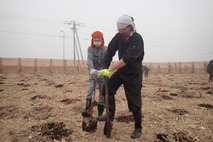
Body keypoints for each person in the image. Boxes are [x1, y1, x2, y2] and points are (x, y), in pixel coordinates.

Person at [97, 14, 144, 139]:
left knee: (134, 102)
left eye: (123, 29)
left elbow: (126, 59)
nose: (120, 32)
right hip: (121, 72)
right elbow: (110, 52)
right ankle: (110, 116)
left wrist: (110, 69)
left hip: (134, 74)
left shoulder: (137, 39)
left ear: (130, 27)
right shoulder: (119, 37)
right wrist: (104, 68)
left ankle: (138, 127)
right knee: (107, 90)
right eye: (119, 30)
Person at [82, 31, 107, 118]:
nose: (97, 39)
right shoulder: (90, 49)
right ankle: (88, 109)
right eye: (95, 38)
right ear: (92, 40)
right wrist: (91, 69)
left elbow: (107, 60)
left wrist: (103, 71)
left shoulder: (105, 49)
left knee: (102, 92)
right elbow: (90, 59)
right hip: (93, 73)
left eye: (98, 38)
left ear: (102, 39)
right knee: (91, 88)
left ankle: (100, 113)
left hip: (102, 73)